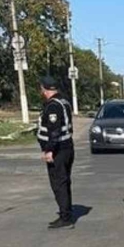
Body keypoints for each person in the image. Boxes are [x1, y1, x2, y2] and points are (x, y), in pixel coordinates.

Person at [36, 76, 75, 229]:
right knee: (64, 182)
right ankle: (66, 212)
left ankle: (65, 217)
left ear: (44, 89)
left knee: (59, 183)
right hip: (67, 148)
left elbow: (54, 130)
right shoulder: (63, 102)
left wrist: (49, 150)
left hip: (58, 150)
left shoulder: (53, 106)